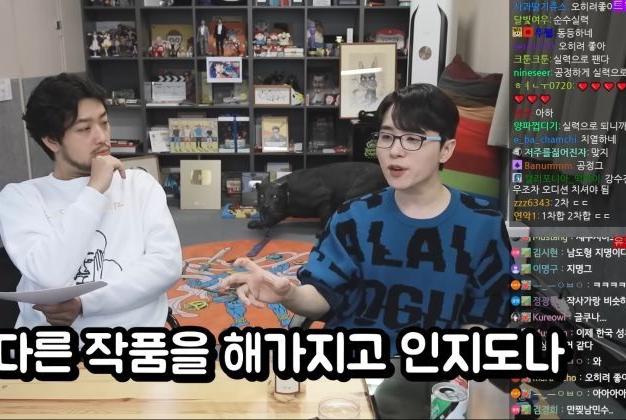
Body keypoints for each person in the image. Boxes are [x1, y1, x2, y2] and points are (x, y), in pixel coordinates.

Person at [215, 83, 514, 416]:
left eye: (412, 139)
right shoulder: (353, 216)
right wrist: (288, 295)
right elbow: (324, 295)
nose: (395, 151)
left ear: (446, 149)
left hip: (429, 383)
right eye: (387, 136)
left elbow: (485, 321)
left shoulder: (482, 225)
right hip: (350, 373)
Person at [0, 73, 182, 333]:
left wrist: (85, 303)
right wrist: (94, 190)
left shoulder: (139, 184)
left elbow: (166, 265)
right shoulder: (20, 198)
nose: (101, 137)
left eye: (104, 123)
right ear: (51, 140)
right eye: (84, 129)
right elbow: (50, 274)